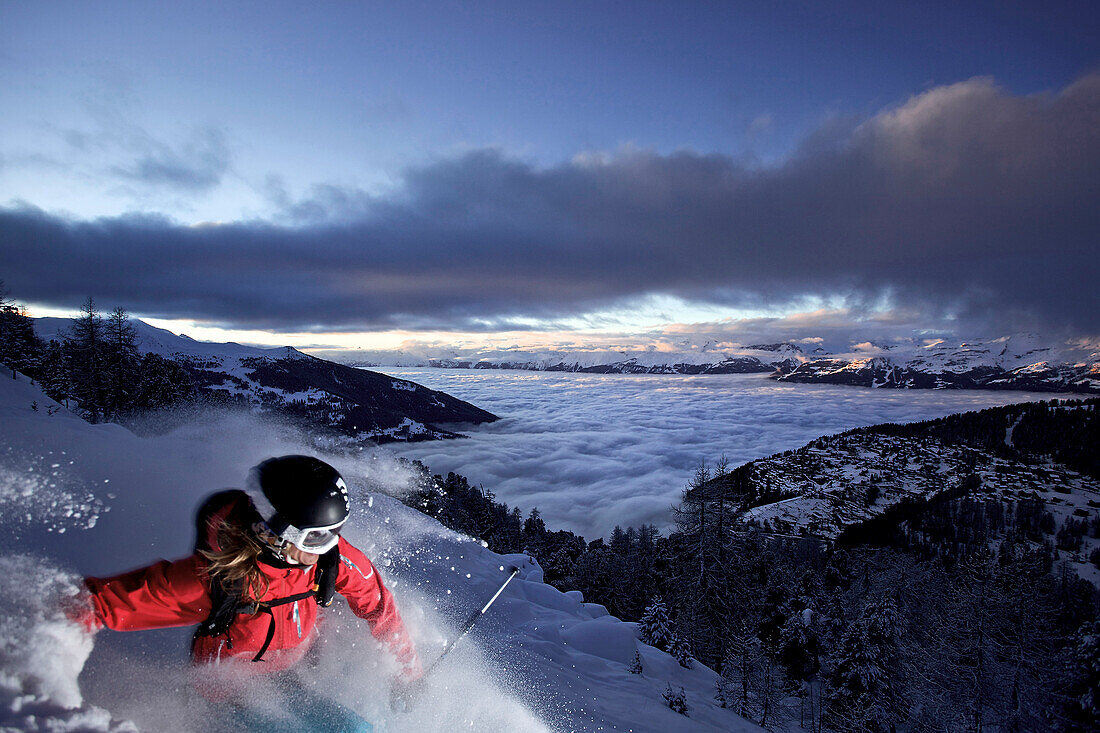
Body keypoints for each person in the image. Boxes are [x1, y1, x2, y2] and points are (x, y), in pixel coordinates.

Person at [78, 455, 421, 731]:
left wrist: (409, 672)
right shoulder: (214, 581)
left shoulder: (328, 560)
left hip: (288, 678)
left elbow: (378, 606)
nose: (328, 547)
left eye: (334, 532)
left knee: (357, 729)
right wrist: (45, 666)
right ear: (272, 530)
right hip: (226, 699)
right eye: (315, 537)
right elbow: (96, 602)